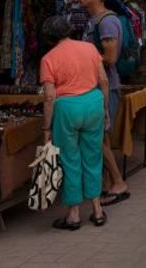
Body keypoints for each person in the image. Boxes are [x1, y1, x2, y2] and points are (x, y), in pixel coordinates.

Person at [39, 15, 109, 230]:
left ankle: (74, 214)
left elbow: (50, 97)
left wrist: (46, 127)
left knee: (70, 160)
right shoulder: (89, 48)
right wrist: (105, 109)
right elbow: (103, 80)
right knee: (93, 156)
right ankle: (97, 210)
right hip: (93, 103)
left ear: (49, 38)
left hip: (67, 108)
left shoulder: (48, 59)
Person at [76, 0, 130, 206]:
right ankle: (108, 184)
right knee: (100, 137)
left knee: (97, 138)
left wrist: (78, 57)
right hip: (94, 86)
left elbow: (110, 57)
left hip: (104, 86)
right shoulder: (94, 20)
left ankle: (118, 182)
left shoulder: (107, 22)